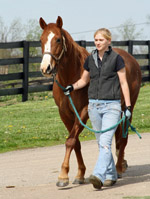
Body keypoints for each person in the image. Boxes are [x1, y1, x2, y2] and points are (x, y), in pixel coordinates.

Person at [64, 28, 131, 190]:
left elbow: (123, 83)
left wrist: (127, 106)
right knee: (101, 143)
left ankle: (98, 175)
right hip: (94, 106)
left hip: (112, 107)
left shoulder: (117, 59)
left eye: (101, 40)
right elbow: (83, 81)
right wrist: (72, 87)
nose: (98, 43)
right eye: (96, 40)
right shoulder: (90, 59)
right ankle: (111, 175)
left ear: (108, 41)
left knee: (106, 142)